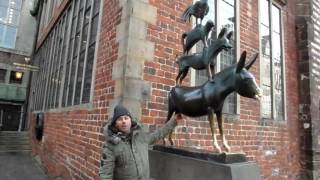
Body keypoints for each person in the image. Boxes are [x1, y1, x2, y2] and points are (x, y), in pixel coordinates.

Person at [99, 104, 182, 180]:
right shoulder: (110, 146)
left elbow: (157, 135)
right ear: (115, 124)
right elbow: (105, 175)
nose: (124, 121)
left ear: (131, 120)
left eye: (126, 118)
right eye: (120, 119)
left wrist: (174, 122)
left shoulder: (140, 137)